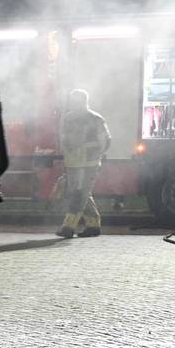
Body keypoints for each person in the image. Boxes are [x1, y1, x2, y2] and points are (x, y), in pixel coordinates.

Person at [57, 88, 110, 238]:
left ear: (83, 101)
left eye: (75, 101)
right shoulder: (94, 118)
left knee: (79, 193)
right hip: (80, 163)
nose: (73, 103)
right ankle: (93, 226)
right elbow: (106, 140)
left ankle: (68, 227)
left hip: (84, 163)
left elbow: (104, 141)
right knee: (82, 193)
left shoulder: (73, 118)